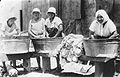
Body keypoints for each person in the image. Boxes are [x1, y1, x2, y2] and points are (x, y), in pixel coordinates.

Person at [45, 7, 63, 72]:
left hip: (57, 37)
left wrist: (55, 36)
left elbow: (60, 29)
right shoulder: (47, 20)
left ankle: (59, 66)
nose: (50, 15)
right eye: (49, 13)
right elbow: (45, 28)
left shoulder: (58, 20)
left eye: (52, 13)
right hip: (50, 38)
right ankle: (49, 67)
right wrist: (47, 36)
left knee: (57, 52)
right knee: (50, 52)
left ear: (54, 14)